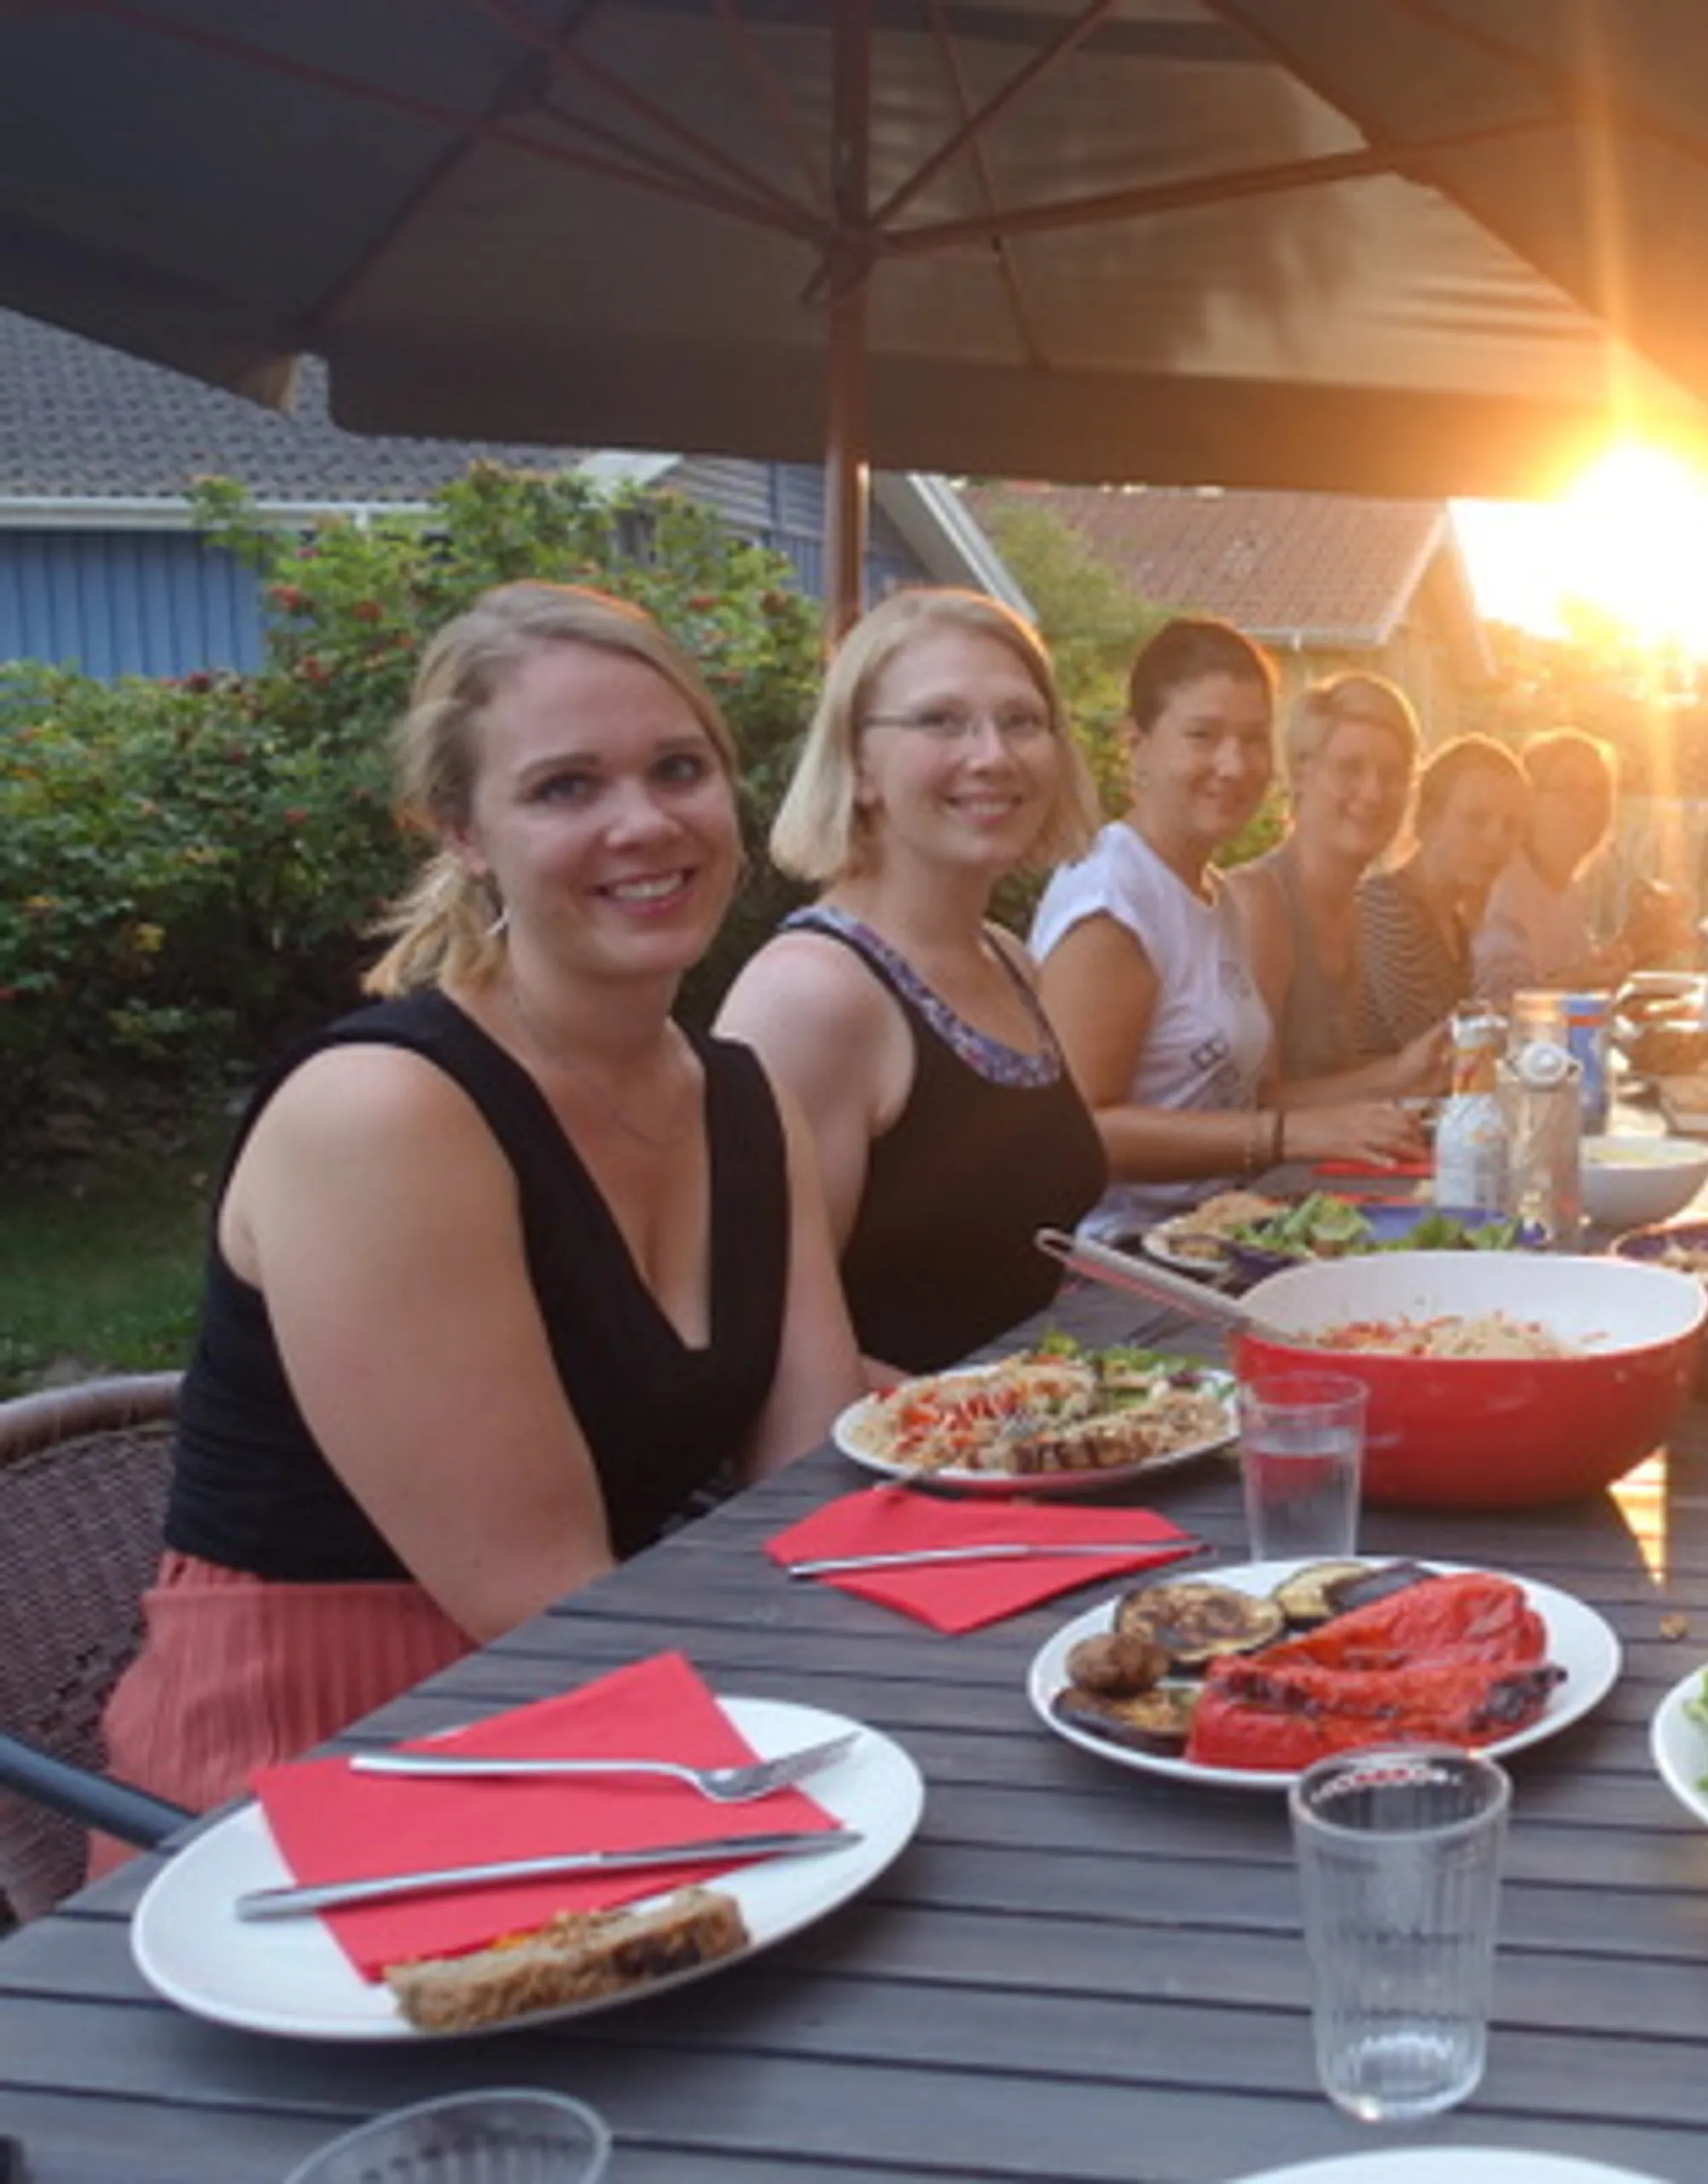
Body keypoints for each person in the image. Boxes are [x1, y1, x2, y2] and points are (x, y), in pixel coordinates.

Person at [98, 582, 863, 1827]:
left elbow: (819, 1489)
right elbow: (544, 1597)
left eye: (680, 769)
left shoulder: (741, 1098)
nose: (646, 823)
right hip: (328, 1763)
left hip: (607, 1685)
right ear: (459, 829)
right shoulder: (383, 1115)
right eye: (566, 788)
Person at [713, 588, 1109, 1380]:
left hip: (1027, 1459)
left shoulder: (1005, 959)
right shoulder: (813, 995)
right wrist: (1003, 1429)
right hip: (881, 1480)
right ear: (858, 766)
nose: (993, 754)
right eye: (941, 721)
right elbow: (757, 1338)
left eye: (1022, 721)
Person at [1030, 618, 1426, 1234]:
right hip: (1117, 1265)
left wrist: (1373, 1107)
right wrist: (1284, 1137)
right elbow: (1074, 1133)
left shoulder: (1216, 897)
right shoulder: (1112, 900)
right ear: (1135, 745)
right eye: (1202, 736)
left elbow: (1249, 1099)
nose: (1233, 764)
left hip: (1225, 1233)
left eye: (1251, 739)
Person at [1221, 675, 1451, 1097]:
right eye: (1350, 768)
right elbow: (1249, 1102)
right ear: (1301, 774)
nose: (1374, 792)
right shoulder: (1260, 902)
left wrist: (1433, 1069)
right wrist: (1397, 1073)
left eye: (1394, 774)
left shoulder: (1352, 907)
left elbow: (1328, 1077)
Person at [1472, 729, 1693, 996]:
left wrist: (1637, 947)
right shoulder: (1505, 886)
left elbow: (1578, 977)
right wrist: (1584, 979)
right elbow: (1501, 999)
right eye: (1570, 789)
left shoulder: (1564, 888)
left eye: (1600, 790)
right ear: (1528, 802)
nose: (1589, 804)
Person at [1356, 735, 1527, 1053]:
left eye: (1511, 825)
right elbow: (1435, 1051)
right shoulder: (1386, 907)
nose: (1496, 839)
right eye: (1476, 820)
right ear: (1426, 819)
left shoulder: (1454, 926)